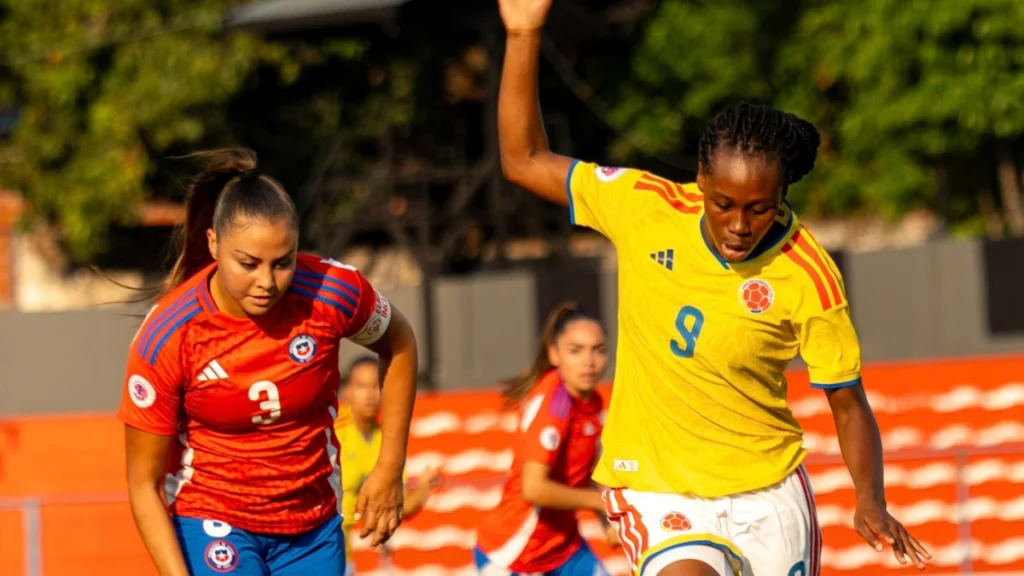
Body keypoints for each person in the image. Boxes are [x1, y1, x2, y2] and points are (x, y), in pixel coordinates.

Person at [494, 2, 933, 575]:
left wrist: (869, 497)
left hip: (768, 493)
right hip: (658, 489)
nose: (739, 225)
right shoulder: (644, 207)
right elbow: (523, 159)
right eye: (724, 204)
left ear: (781, 200)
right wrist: (524, 34)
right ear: (701, 181)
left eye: (759, 209)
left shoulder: (810, 275)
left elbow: (848, 404)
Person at [119, 148, 419, 576]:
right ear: (213, 244)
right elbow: (143, 484)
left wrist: (391, 468)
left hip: (312, 527)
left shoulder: (333, 292)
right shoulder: (168, 335)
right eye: (248, 263)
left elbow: (400, 342)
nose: (266, 282)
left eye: (283, 263)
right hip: (213, 519)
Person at [474, 304, 617, 576]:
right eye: (576, 351)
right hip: (513, 552)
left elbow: (588, 472)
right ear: (554, 354)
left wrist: (606, 521)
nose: (589, 361)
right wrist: (599, 503)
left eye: (598, 350)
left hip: (563, 550)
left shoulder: (593, 401)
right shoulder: (555, 403)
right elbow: (534, 488)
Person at [335, 355, 442, 574]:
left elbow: (395, 505)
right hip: (308, 542)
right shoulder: (333, 430)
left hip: (341, 552)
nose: (369, 394)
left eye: (376, 386)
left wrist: (422, 490)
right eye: (361, 386)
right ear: (347, 391)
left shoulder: (385, 441)